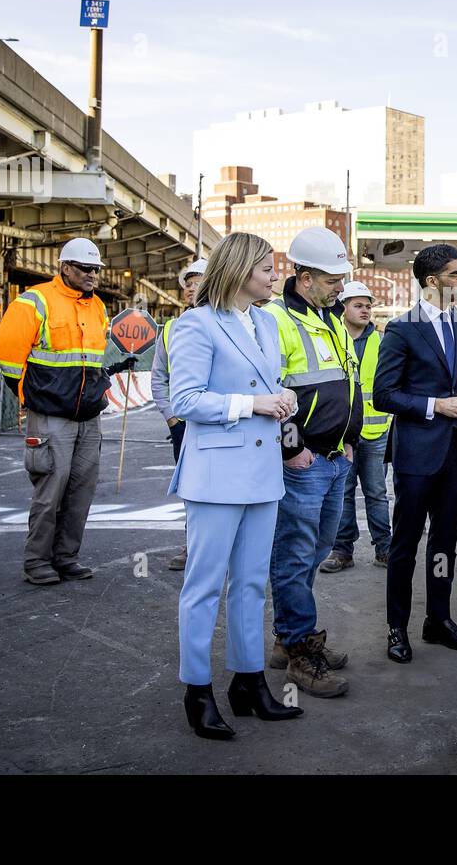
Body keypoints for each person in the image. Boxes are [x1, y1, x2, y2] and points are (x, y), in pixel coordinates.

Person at [169, 233, 302, 739]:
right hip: (217, 474)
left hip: (263, 471)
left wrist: (281, 394)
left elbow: (267, 382)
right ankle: (196, 691)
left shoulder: (267, 323)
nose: (274, 277)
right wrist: (252, 405)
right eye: (267, 269)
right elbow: (184, 400)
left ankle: (248, 683)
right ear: (241, 270)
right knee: (202, 587)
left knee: (250, 584)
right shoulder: (196, 325)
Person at [0, 237, 135, 586]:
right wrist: (30, 395)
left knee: (81, 490)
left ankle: (66, 557)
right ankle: (37, 561)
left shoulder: (97, 307)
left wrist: (107, 376)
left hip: (88, 414)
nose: (92, 275)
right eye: (85, 268)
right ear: (64, 267)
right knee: (50, 488)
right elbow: (8, 354)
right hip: (51, 415)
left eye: (96, 270)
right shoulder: (35, 301)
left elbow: (92, 359)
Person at [261, 227, 361, 698]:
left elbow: (344, 385)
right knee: (295, 554)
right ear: (304, 277)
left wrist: (350, 441)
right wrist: (290, 449)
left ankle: (287, 637)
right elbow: (273, 390)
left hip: (335, 457)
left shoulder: (332, 318)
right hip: (303, 461)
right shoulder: (277, 320)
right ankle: (301, 651)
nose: (341, 286)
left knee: (316, 551)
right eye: (332, 278)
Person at [375, 244, 457, 664]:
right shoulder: (402, 330)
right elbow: (384, 395)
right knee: (405, 544)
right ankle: (396, 628)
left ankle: (438, 620)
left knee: (445, 542)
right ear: (432, 282)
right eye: (456, 274)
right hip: (417, 454)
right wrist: (436, 405)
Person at [320, 281, 392, 571]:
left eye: (368, 306)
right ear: (344, 307)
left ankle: (385, 548)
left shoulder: (382, 341)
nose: (365, 310)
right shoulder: (330, 337)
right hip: (341, 432)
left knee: (376, 492)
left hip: (375, 431)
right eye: (358, 305)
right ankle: (342, 550)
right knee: (343, 493)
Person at [151, 257, 207, 571]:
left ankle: (223, 548)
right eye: (187, 284)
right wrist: (172, 418)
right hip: (184, 425)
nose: (189, 289)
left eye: (196, 282)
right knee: (192, 489)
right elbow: (159, 377)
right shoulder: (172, 328)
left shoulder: (232, 322)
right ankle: (193, 547)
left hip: (218, 421)